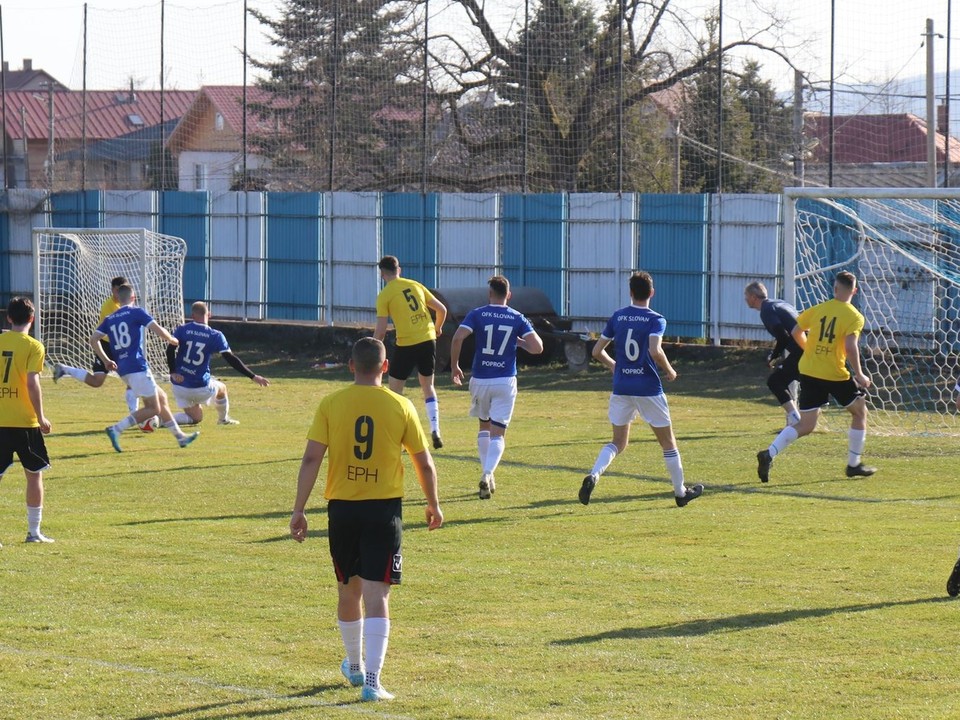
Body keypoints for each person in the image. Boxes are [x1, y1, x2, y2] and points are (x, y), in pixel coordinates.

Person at [290, 337, 443, 703]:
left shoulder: (331, 403)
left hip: (342, 509)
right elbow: (424, 462)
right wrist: (433, 504)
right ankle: (372, 681)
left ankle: (355, 666)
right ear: (385, 367)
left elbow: (311, 459)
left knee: (349, 591)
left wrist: (298, 509)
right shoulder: (401, 405)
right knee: (378, 595)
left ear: (351, 366)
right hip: (383, 510)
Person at [579, 271, 704, 508]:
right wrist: (670, 370)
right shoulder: (656, 319)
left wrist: (614, 366)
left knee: (618, 442)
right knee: (668, 443)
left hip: (622, 387)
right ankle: (680, 493)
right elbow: (655, 350)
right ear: (652, 293)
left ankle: (594, 475)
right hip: (647, 388)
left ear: (630, 292)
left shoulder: (618, 316)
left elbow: (596, 351)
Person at [756, 271, 876, 483]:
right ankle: (853, 465)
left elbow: (796, 331)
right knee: (859, 412)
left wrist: (810, 350)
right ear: (854, 291)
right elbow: (850, 346)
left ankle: (769, 453)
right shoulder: (854, 316)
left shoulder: (818, 309)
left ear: (835, 289)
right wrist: (859, 374)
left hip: (809, 370)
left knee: (806, 425)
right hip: (834, 373)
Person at [449, 275, 544, 499]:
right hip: (505, 380)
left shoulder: (477, 313)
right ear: (509, 295)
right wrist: (519, 342)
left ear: (489, 293)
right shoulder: (516, 317)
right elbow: (537, 348)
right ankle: (488, 472)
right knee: (498, 433)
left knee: (484, 426)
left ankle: (487, 475)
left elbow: (457, 338)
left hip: (480, 379)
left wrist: (454, 366)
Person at [90, 284, 199, 453]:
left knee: (161, 398)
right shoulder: (136, 312)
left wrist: (106, 360)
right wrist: (172, 340)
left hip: (123, 369)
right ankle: (116, 429)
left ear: (118, 299)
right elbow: (158, 330)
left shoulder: (110, 318)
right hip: (137, 367)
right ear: (133, 298)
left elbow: (93, 340)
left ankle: (180, 437)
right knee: (153, 408)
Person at [54, 276, 154, 431]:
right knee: (97, 381)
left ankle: (135, 414)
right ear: (113, 290)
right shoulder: (110, 306)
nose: (118, 293)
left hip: (120, 347)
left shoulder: (123, 305)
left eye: (121, 290)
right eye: (117, 290)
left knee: (131, 380)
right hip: (107, 346)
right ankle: (65, 369)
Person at [373, 255, 447, 450]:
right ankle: (435, 429)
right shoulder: (415, 285)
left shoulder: (385, 295)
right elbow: (442, 309)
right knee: (428, 386)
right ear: (399, 270)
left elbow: (380, 331)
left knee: (395, 392)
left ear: (382, 274)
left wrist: (373, 351)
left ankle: (399, 437)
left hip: (406, 343)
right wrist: (437, 328)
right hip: (427, 340)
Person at [0, 297, 54, 544]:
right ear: (32, 318)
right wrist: (40, 416)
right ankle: (34, 532)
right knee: (34, 475)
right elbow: (32, 382)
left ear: (9, 317)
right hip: (25, 421)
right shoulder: (34, 346)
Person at [166, 301, 269, 426]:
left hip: (179, 385)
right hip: (200, 386)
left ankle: (159, 419)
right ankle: (223, 419)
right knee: (222, 388)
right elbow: (230, 358)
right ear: (209, 314)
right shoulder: (215, 335)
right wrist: (253, 376)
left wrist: (172, 372)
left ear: (192, 316)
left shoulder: (182, 329)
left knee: (196, 417)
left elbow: (170, 350)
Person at [744, 281, 803, 428]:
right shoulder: (779, 303)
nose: (745, 299)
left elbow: (783, 336)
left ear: (753, 297)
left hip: (803, 350)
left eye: (746, 296)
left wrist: (773, 356)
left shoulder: (767, 310)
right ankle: (798, 420)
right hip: (808, 348)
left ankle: (796, 421)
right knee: (809, 382)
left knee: (775, 381)